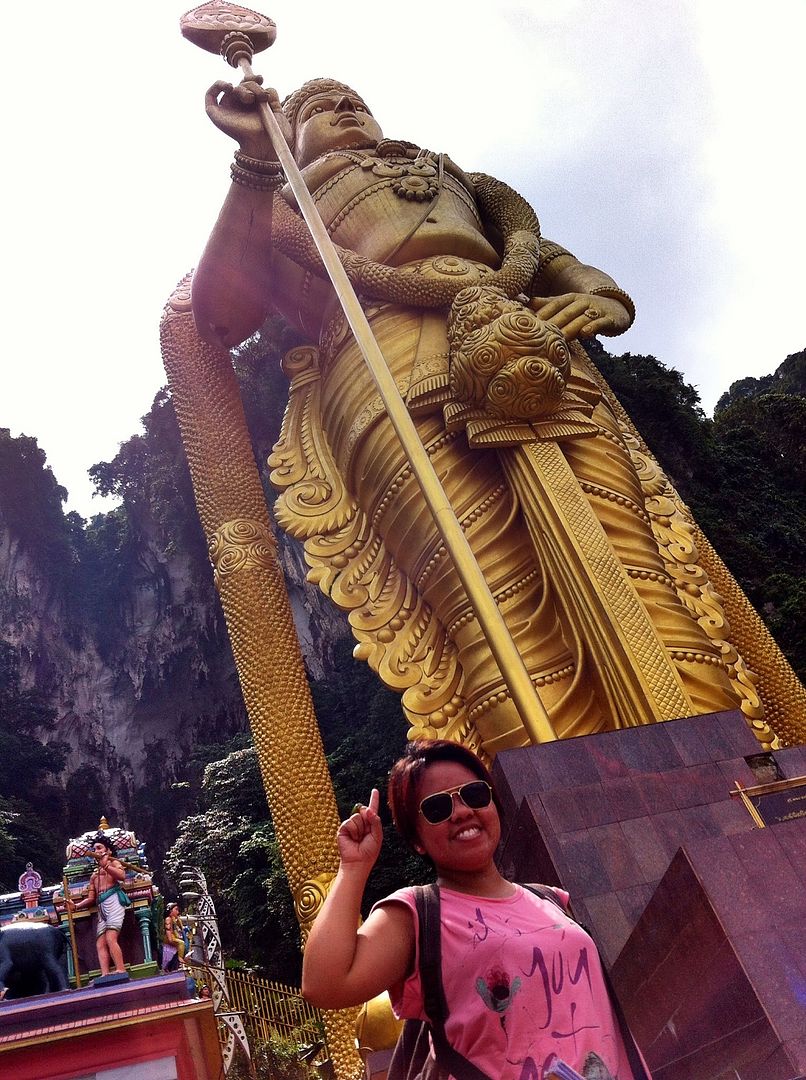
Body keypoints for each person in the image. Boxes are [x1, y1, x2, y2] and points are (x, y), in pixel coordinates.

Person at [190, 76, 758, 754]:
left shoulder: (452, 176)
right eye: (318, 106)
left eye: (355, 99)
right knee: (486, 589)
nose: (344, 108)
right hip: (384, 359)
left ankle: (742, 759)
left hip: (532, 342)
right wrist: (256, 162)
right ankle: (550, 785)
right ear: (289, 131)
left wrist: (601, 295)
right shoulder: (279, 201)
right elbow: (220, 310)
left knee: (629, 556)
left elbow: (546, 256)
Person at [301, 740, 648, 1080]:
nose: (462, 811)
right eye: (438, 809)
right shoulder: (418, 915)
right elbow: (324, 985)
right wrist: (353, 868)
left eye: (474, 795)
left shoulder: (551, 900)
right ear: (417, 840)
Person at [66, 834, 128, 977]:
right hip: (101, 906)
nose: (96, 851)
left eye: (99, 847)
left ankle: (120, 969)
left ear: (109, 851)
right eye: (94, 848)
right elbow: (91, 899)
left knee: (111, 938)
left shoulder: (114, 863)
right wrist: (75, 906)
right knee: (100, 943)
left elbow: (122, 876)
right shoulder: (94, 876)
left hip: (114, 901)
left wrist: (106, 865)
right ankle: (105, 973)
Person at [162, 902, 187, 973]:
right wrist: (171, 940)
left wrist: (179, 921)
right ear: (170, 910)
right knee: (181, 943)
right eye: (176, 910)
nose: (178, 912)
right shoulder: (168, 919)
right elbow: (168, 932)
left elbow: (178, 931)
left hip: (173, 937)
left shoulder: (173, 920)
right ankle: (180, 958)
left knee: (182, 942)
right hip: (168, 939)